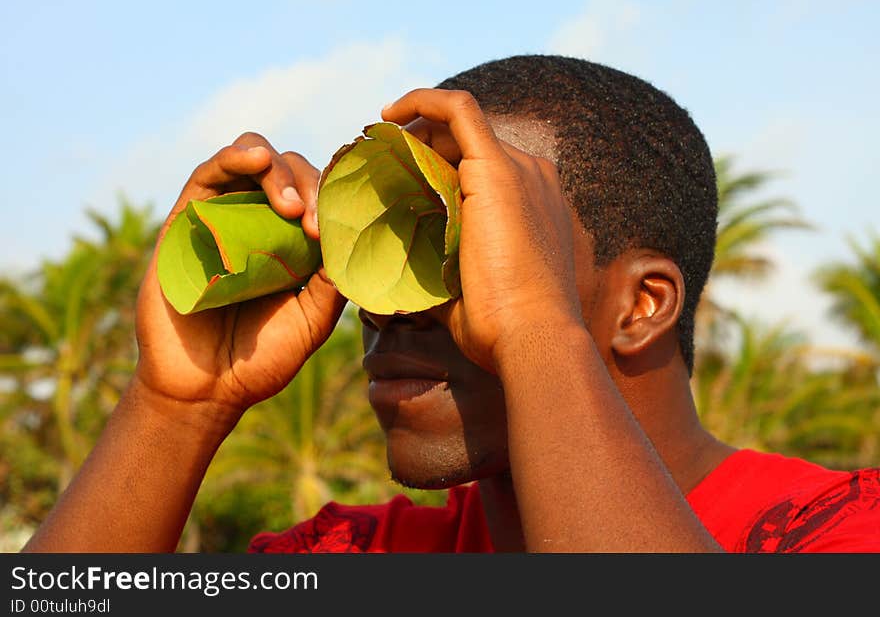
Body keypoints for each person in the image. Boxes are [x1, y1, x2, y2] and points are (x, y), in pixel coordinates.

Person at [22, 55, 880, 553]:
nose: (390, 305)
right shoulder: (358, 554)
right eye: (386, 244)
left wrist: (536, 330)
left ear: (641, 304)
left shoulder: (835, 531)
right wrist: (175, 408)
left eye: (472, 243)